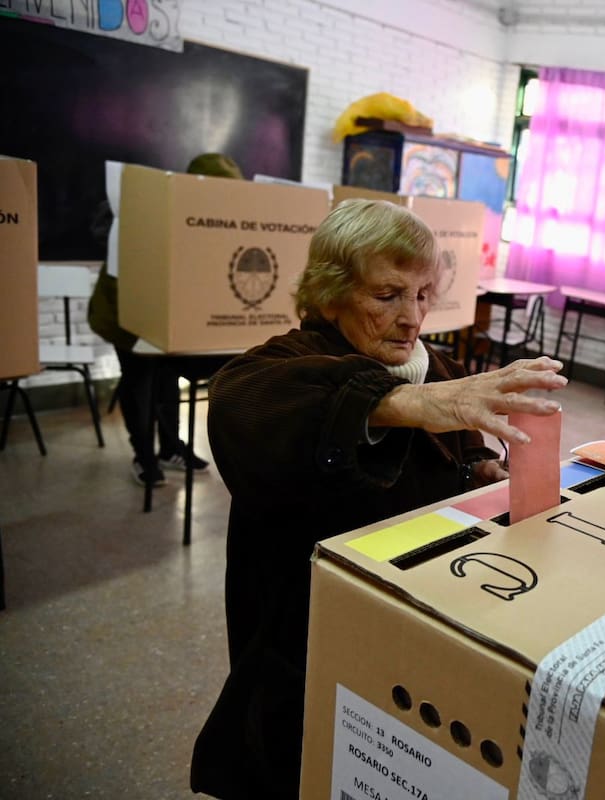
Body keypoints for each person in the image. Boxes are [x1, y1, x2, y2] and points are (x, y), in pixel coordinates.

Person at [190, 198, 567, 799]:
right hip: (305, 650)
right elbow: (244, 402)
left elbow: (456, 456)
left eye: (422, 294)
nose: (411, 317)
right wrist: (399, 406)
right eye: (386, 296)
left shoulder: (433, 368)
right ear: (330, 292)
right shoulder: (283, 365)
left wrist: (482, 473)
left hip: (413, 639)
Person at [88, 152, 245, 486]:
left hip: (168, 314)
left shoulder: (208, 219)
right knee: (139, 382)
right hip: (124, 313)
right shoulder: (149, 209)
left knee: (167, 380)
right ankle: (143, 456)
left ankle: (170, 448)